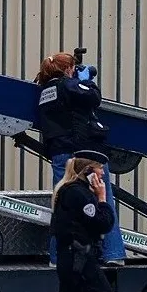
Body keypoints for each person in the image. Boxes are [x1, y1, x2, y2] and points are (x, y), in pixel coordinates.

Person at [35, 52, 126, 267]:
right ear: (67, 69)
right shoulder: (68, 85)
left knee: (62, 203)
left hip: (60, 153)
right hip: (84, 153)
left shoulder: (44, 92)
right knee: (104, 197)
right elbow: (93, 98)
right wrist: (84, 81)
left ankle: (57, 257)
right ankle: (113, 253)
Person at [50, 150, 116, 292]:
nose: (102, 174)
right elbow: (104, 223)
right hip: (77, 260)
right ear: (89, 171)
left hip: (75, 257)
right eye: (100, 168)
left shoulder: (75, 190)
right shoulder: (78, 193)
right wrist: (102, 198)